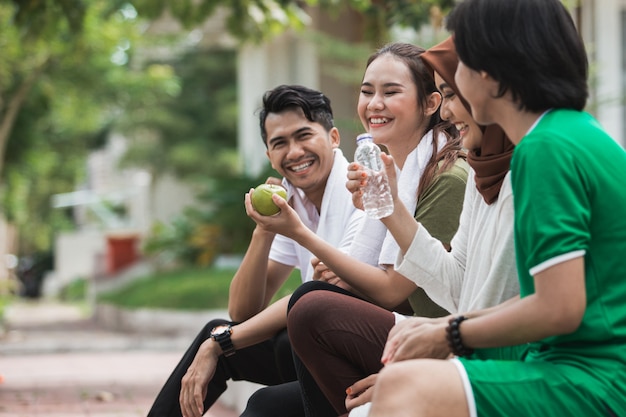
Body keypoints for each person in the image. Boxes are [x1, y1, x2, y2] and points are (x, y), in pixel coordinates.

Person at [359, 1, 626, 416]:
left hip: (594, 380)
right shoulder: (569, 134)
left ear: (490, 70)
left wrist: (450, 333)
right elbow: (472, 286)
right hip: (571, 368)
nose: (448, 105)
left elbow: (559, 306)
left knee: (404, 387)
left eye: (460, 66)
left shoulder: (545, 149)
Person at [286, 37, 521, 417]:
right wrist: (390, 206)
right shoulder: (480, 174)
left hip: (485, 357)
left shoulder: (476, 173)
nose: (449, 112)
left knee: (309, 308)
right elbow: (457, 284)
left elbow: (399, 293)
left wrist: (442, 354)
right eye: (367, 91)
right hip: (451, 341)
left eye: (454, 96)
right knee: (302, 318)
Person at [146, 84, 365, 417]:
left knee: (258, 398)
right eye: (279, 143)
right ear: (269, 156)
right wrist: (264, 228)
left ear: (333, 137)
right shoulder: (291, 199)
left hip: (354, 352)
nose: (294, 152)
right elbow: (243, 310)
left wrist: (221, 344)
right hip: (312, 343)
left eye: (303, 136)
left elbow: (313, 297)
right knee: (217, 329)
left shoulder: (358, 193)